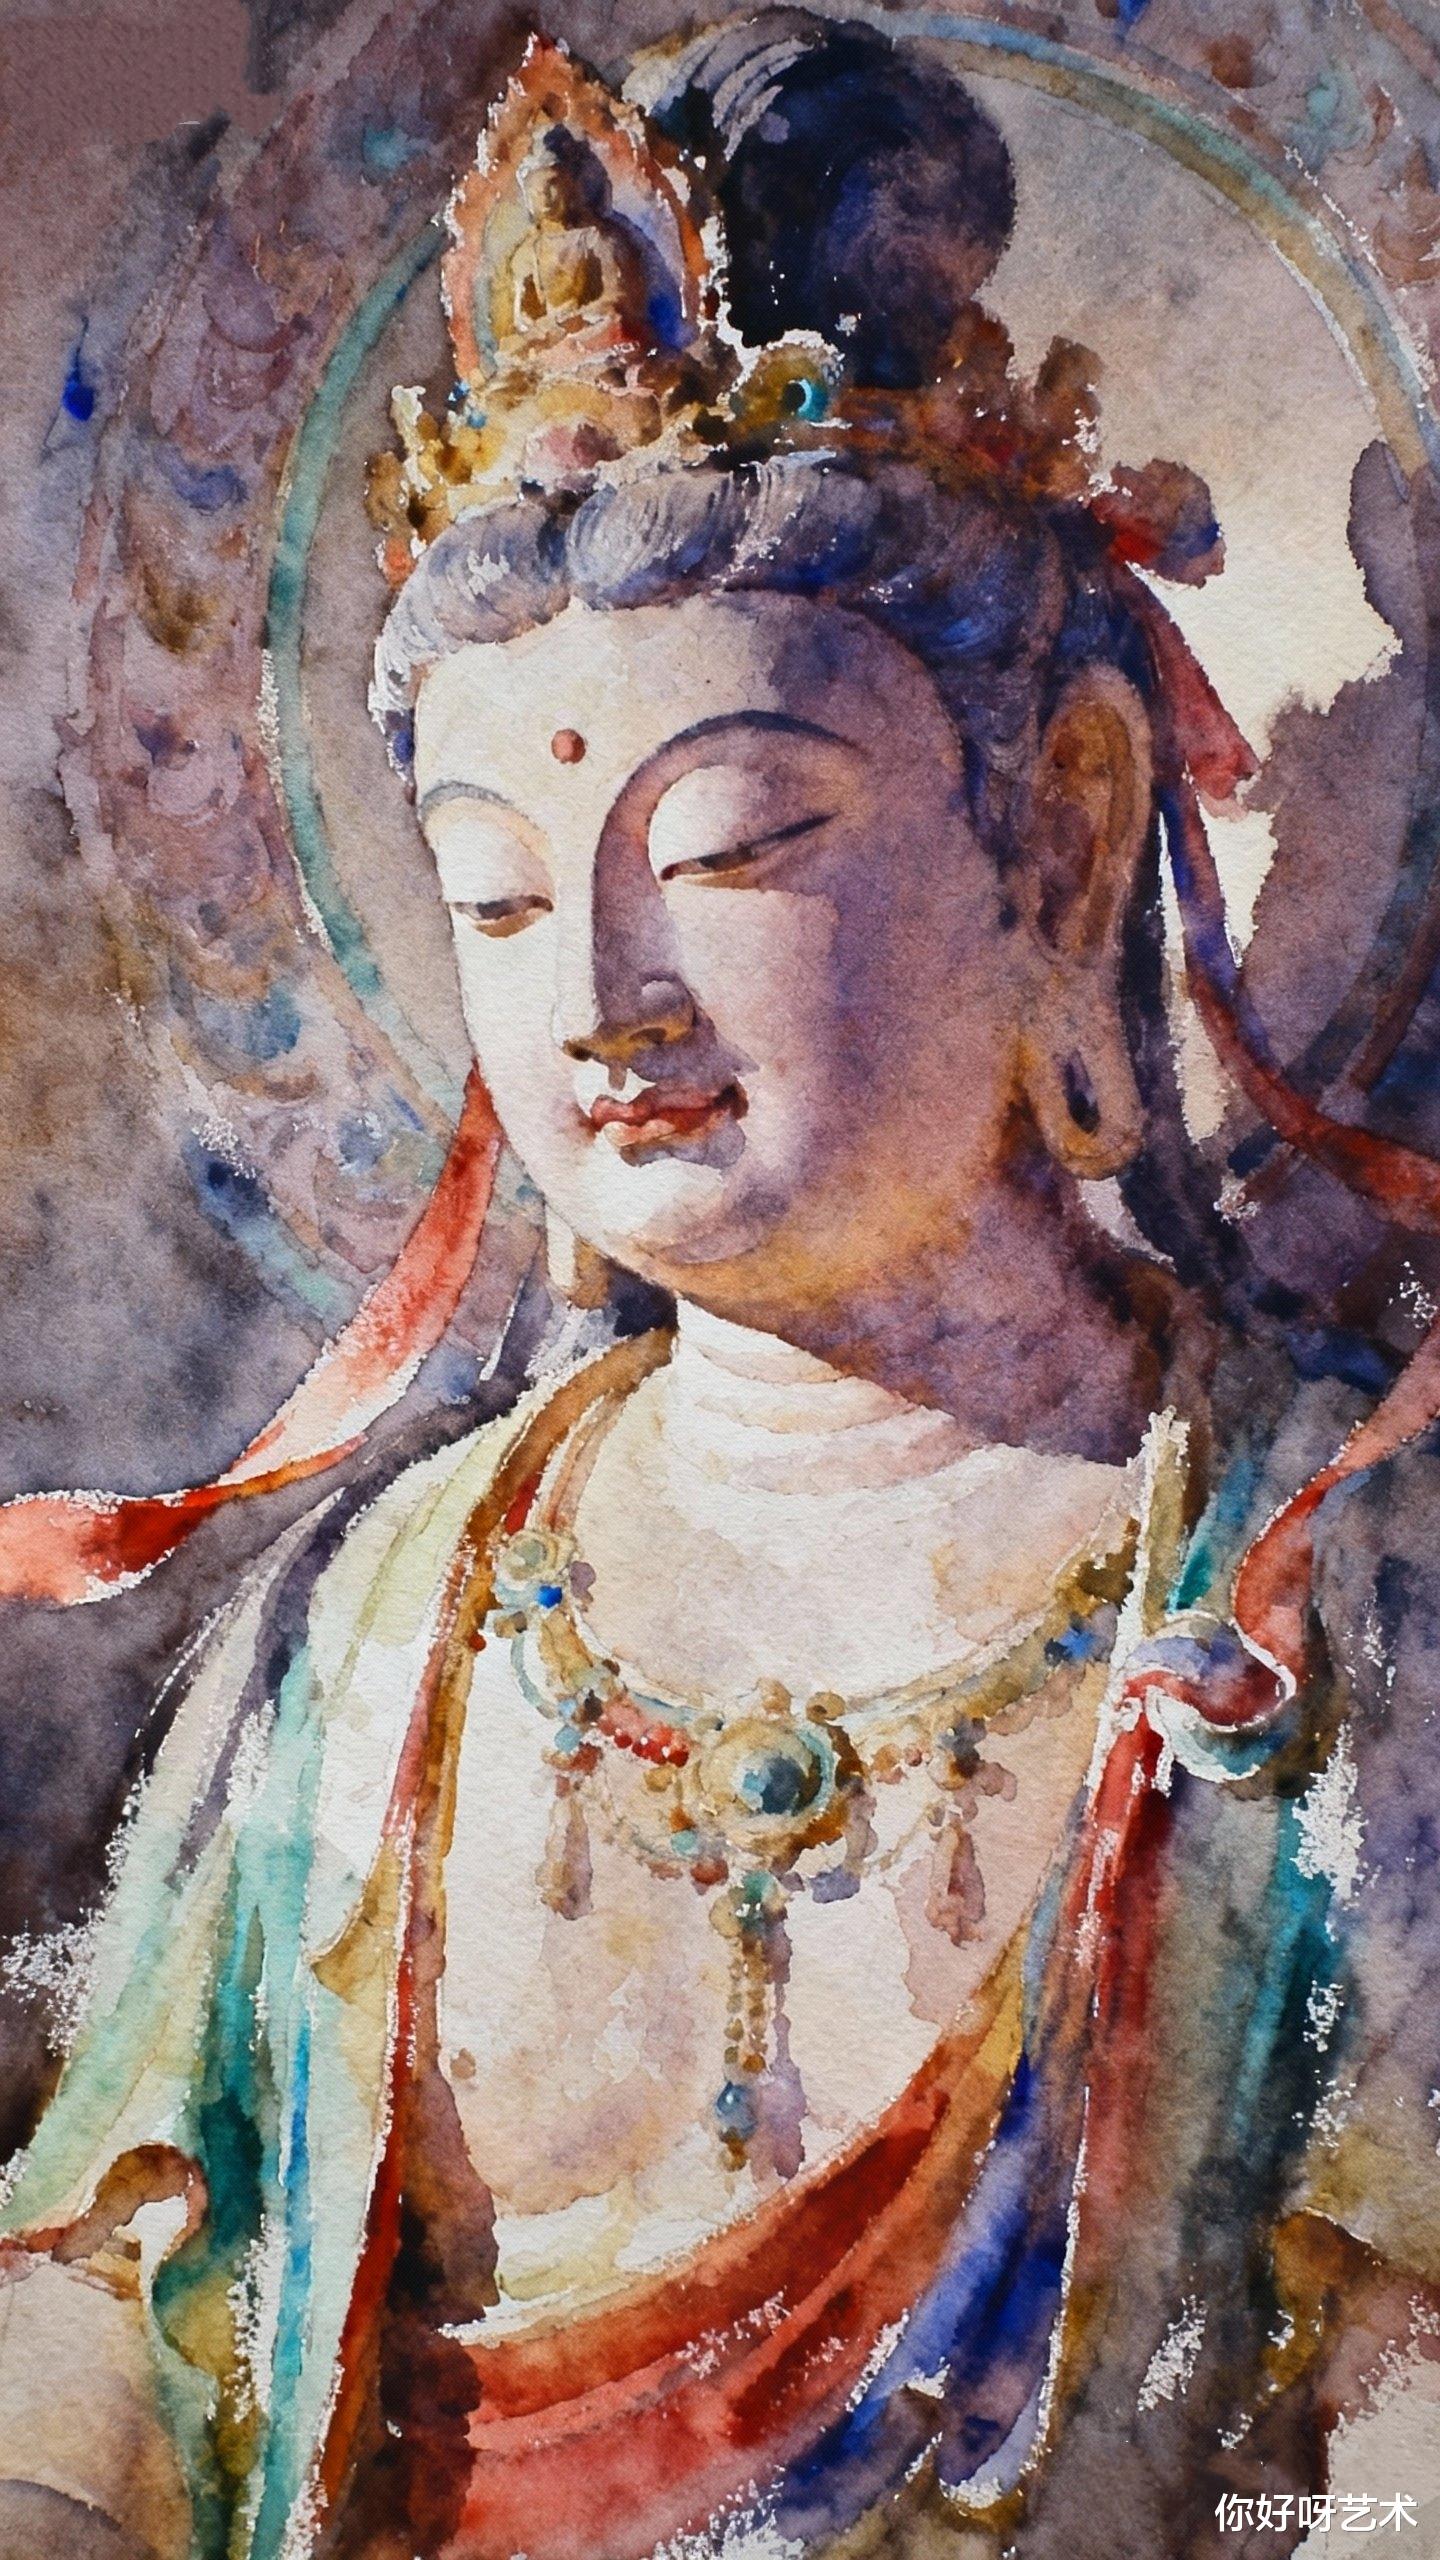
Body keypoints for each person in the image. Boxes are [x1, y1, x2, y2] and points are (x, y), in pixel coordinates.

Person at [1, 15, 1439, 2558]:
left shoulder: (1342, 1590)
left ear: (1064, 837)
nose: (599, 999)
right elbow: (111, 2306)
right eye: (495, 893)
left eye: (739, 843)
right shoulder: (383, 1625)